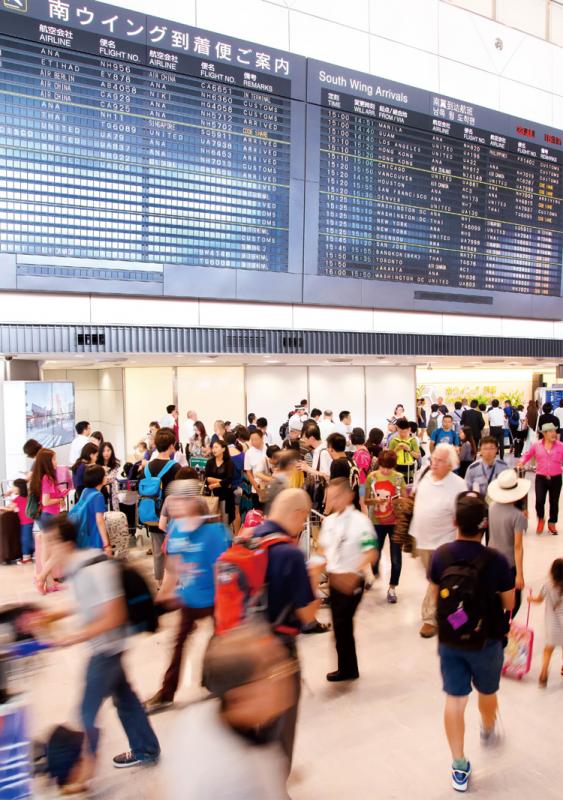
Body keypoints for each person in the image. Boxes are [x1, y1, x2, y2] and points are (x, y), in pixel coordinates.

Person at [38, 514, 160, 769]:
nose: (46, 547)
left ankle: (79, 772)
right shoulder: (78, 566)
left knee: (86, 713)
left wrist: (72, 638)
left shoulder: (91, 568)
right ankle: (146, 749)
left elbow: (115, 615)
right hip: (110, 646)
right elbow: (86, 604)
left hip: (108, 649)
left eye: (49, 540)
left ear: (63, 542)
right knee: (125, 700)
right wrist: (53, 615)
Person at [429, 493, 515, 793]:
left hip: (450, 640)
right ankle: (488, 727)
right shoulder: (496, 560)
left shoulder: (441, 556)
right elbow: (508, 602)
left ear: (454, 521)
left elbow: (434, 595)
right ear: (484, 524)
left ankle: (459, 766)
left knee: (455, 700)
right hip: (487, 640)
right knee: (487, 691)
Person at [164, 625, 293, 800]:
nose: (287, 676)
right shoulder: (244, 773)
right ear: (239, 697)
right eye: (273, 672)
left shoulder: (195, 716)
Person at [252, 489, 319, 769]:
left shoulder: (247, 538)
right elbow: (308, 615)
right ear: (299, 515)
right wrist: (313, 576)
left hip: (243, 646)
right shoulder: (289, 554)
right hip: (278, 652)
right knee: (281, 725)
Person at [145, 495, 230, 713]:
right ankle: (167, 693)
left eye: (184, 506)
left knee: (220, 638)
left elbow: (222, 568)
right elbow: (173, 567)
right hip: (190, 598)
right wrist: (163, 597)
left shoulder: (215, 533)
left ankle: (213, 677)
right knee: (179, 643)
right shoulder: (177, 529)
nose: (178, 510)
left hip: (215, 598)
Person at [318, 479, 377, 682]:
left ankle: (348, 669)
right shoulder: (329, 522)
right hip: (334, 581)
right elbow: (322, 549)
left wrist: (354, 573)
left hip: (352, 582)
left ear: (348, 496)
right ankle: (347, 667)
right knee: (340, 626)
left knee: (342, 625)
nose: (333, 501)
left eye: (337, 496)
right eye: (330, 497)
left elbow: (371, 552)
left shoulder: (361, 522)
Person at [409, 444, 466, 638]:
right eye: (434, 459)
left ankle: (430, 618)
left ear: (451, 465)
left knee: (440, 580)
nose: (435, 463)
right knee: (435, 579)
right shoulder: (425, 476)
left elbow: (463, 514)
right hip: (423, 539)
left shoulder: (458, 484)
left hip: (445, 543)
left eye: (440, 461)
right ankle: (449, 613)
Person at [365, 450, 406, 603]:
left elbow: (406, 501)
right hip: (377, 521)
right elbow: (365, 499)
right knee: (375, 553)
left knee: (396, 557)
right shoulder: (372, 477)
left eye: (388, 468)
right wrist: (375, 501)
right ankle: (374, 573)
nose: (385, 470)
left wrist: (399, 501)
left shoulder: (399, 478)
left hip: (396, 522)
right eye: (383, 467)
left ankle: (392, 587)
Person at [488, 468, 529, 617]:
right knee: (514, 602)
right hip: (509, 564)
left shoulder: (492, 507)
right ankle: (504, 627)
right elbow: (518, 547)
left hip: (491, 559)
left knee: (495, 596)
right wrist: (520, 574)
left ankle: (496, 624)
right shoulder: (518, 516)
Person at [518, 422, 563, 534]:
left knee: (554, 502)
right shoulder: (536, 445)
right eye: (550, 431)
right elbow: (527, 455)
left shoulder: (561, 446)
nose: (554, 434)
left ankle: (552, 523)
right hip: (541, 478)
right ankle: (541, 518)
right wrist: (521, 462)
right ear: (544, 433)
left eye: (554, 431)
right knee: (539, 501)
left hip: (556, 477)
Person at [529, 558, 563, 687]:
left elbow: (539, 600)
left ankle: (543, 674)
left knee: (548, 650)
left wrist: (531, 599)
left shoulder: (547, 585)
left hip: (552, 626)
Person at [1, 478, 34, 564]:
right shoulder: (28, 496)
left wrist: (1, 507)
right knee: (29, 538)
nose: (12, 488)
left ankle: (26, 558)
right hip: (30, 521)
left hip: (25, 523)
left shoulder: (18, 499)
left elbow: (9, 508)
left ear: (18, 488)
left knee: (25, 540)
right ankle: (29, 556)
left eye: (14, 486)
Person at [326, 432, 360, 510]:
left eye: (327, 447)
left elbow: (334, 489)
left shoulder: (337, 463)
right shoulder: (351, 460)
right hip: (355, 507)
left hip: (343, 509)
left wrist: (327, 511)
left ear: (331, 448)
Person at [204, 439, 235, 525]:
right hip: (212, 496)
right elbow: (207, 478)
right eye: (213, 447)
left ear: (223, 449)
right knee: (212, 521)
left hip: (225, 495)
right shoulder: (210, 462)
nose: (214, 449)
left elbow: (229, 480)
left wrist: (214, 485)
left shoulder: (229, 463)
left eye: (216, 447)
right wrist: (222, 481)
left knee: (225, 521)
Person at [244, 429, 270, 510]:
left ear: (262, 438)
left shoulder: (269, 448)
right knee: (258, 513)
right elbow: (248, 472)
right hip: (257, 488)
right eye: (252, 440)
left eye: (256, 439)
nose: (253, 442)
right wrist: (255, 486)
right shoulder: (249, 453)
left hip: (271, 487)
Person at [389, 418, 420, 483]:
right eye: (400, 432)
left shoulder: (412, 441)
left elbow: (417, 456)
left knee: (408, 488)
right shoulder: (394, 441)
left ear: (409, 429)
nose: (402, 434)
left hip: (409, 469)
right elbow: (389, 457)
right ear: (397, 429)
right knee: (397, 487)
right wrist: (396, 449)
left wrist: (409, 450)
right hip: (396, 469)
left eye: (405, 432)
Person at [97, 441, 120, 512]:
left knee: (114, 517)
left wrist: (103, 475)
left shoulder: (115, 464)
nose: (106, 453)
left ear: (112, 451)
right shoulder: (97, 464)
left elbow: (111, 479)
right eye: (104, 451)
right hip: (100, 493)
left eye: (108, 450)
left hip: (112, 493)